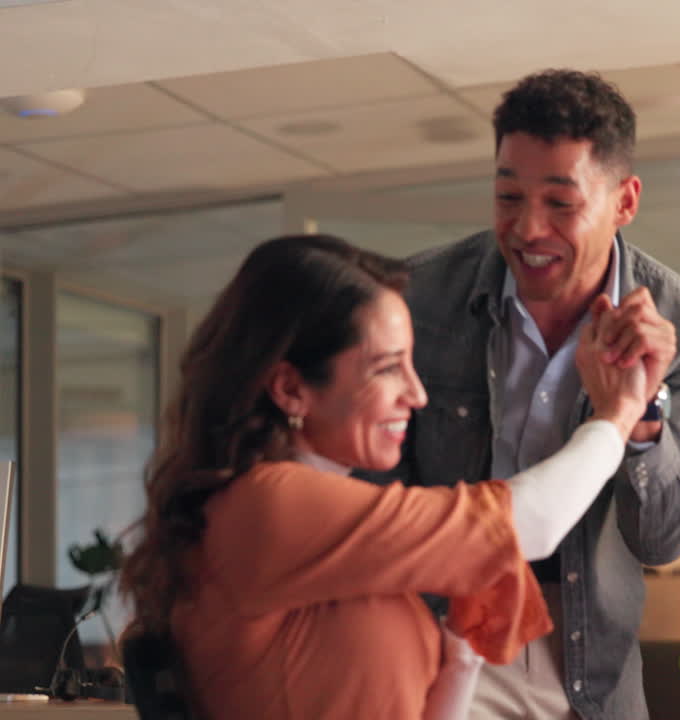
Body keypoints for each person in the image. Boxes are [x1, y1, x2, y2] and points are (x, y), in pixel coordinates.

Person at [118, 234, 652, 720]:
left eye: (411, 364)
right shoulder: (270, 503)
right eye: (386, 368)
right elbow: (531, 524)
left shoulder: (336, 528)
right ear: (290, 389)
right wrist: (616, 415)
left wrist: (462, 650)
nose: (416, 395)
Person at [380, 69, 680, 720]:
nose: (528, 229)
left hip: (587, 652)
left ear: (624, 201)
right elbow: (375, 496)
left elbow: (662, 540)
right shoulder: (417, 299)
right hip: (439, 626)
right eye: (508, 197)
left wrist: (642, 418)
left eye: (560, 204)